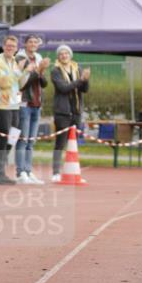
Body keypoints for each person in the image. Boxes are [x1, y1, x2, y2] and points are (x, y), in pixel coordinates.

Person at [51, 45, 90, 183]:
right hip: (62, 112)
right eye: (61, 53)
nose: (64, 55)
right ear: (58, 57)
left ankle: (73, 171)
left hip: (76, 111)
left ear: (70, 55)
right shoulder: (55, 71)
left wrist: (86, 79)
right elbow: (63, 88)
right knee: (60, 143)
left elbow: (84, 89)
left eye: (66, 53)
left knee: (73, 143)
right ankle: (55, 172)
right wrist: (80, 80)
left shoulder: (77, 69)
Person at [15, 34, 50, 184]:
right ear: (25, 44)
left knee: (31, 141)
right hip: (24, 104)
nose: (33, 44)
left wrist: (41, 72)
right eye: (30, 42)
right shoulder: (20, 58)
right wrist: (36, 72)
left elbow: (44, 84)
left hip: (37, 104)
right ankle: (20, 172)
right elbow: (22, 83)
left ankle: (28, 171)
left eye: (36, 42)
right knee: (23, 140)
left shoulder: (39, 58)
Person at [0, 35, 24, 184]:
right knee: (2, 138)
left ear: (16, 49)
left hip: (15, 104)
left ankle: (0, 166)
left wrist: (22, 74)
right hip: (1, 105)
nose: (10, 48)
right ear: (3, 46)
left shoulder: (14, 63)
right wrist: (17, 74)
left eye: (13, 46)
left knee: (14, 136)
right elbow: (3, 82)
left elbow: (19, 83)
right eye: (8, 46)